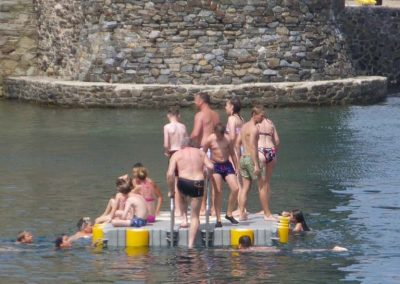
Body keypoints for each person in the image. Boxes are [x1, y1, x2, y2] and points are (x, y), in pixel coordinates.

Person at [166, 138, 214, 248]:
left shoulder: (177, 154)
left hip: (183, 182)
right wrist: (207, 175)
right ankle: (190, 244)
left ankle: (184, 219)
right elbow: (211, 166)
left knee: (181, 195)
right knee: (195, 216)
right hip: (198, 183)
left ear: (182, 146)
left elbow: (169, 174)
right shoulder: (201, 153)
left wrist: (170, 191)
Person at [237, 105, 274, 221]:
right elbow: (253, 147)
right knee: (262, 186)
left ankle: (242, 213)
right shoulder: (254, 129)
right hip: (252, 159)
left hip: (243, 158)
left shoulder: (243, 127)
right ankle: (267, 214)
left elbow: (237, 144)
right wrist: (257, 165)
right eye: (261, 116)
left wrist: (239, 159)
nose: (263, 118)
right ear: (254, 115)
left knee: (245, 187)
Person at [202, 123, 239, 227]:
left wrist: (237, 168)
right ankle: (218, 219)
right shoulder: (210, 139)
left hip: (227, 165)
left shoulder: (227, 139)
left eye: (221, 135)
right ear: (215, 132)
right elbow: (203, 153)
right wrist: (205, 165)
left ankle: (229, 213)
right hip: (215, 165)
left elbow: (232, 153)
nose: (220, 137)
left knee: (236, 189)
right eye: (218, 135)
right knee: (218, 191)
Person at [191, 92, 220, 215]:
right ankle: (214, 209)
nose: (194, 102)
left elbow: (196, 133)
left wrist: (187, 142)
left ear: (201, 101)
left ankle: (202, 208)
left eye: (195, 100)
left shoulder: (200, 115)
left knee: (200, 179)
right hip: (216, 149)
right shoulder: (216, 115)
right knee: (214, 181)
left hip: (204, 149)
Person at [163, 107, 188, 217]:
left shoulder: (167, 127)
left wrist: (167, 152)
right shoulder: (183, 126)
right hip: (183, 152)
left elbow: (166, 143)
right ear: (179, 115)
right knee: (182, 179)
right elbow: (187, 140)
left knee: (175, 179)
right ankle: (183, 208)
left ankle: (178, 209)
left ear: (168, 115)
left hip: (173, 152)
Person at [257, 114, 280, 215]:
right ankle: (265, 208)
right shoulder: (271, 123)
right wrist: (274, 152)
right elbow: (277, 141)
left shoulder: (256, 123)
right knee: (267, 182)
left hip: (261, 150)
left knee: (261, 184)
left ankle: (265, 210)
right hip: (271, 151)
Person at [237, 235, 347, 253]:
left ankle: (332, 249)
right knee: (303, 250)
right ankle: (330, 249)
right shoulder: (252, 247)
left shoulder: (247, 250)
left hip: (279, 252)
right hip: (278, 250)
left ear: (241, 244)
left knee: (303, 251)